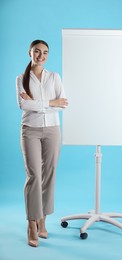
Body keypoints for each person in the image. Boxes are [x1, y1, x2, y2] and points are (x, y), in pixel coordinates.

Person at [16, 39, 68, 247]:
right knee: (34, 175)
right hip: (30, 130)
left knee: (49, 173)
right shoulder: (21, 78)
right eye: (37, 51)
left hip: (53, 130)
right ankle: (31, 223)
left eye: (45, 52)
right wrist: (49, 103)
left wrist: (38, 104)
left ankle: (42, 220)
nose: (41, 56)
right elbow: (23, 104)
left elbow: (63, 104)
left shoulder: (54, 77)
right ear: (30, 52)